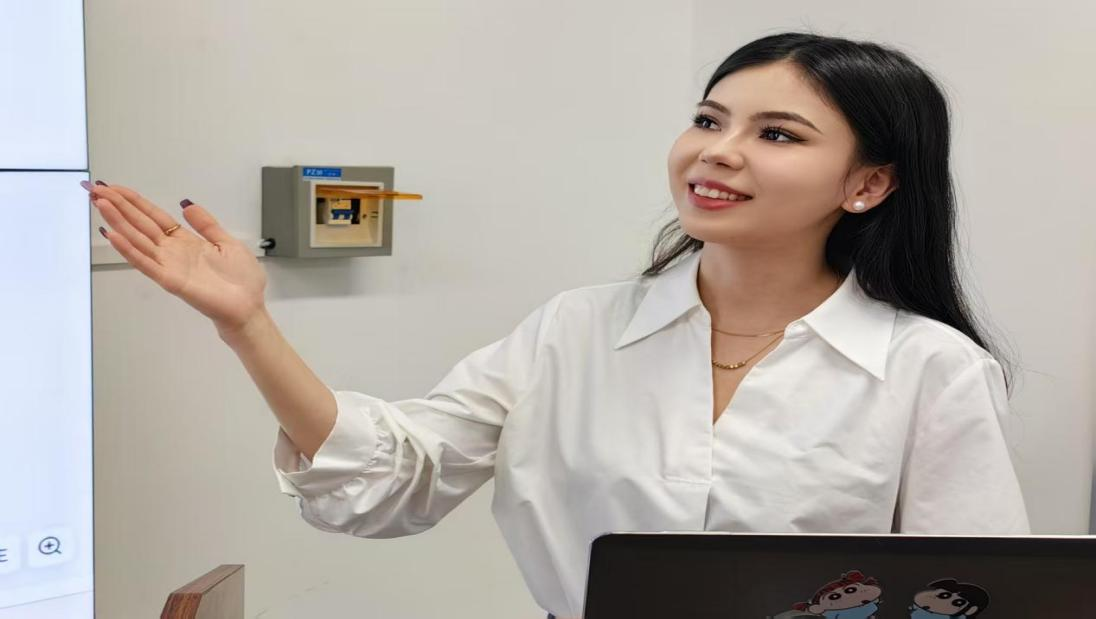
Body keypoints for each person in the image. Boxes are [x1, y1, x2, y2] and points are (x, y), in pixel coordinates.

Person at [86, 31, 1029, 619]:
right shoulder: (572, 331)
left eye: (776, 134)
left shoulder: (931, 367)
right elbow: (391, 480)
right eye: (710, 120)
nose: (718, 152)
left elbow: (971, 597)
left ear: (868, 184)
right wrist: (248, 324)